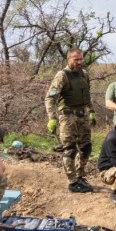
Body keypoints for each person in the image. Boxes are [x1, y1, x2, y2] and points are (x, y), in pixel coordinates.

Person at [45, 48, 96, 193]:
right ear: (69, 59)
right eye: (76, 59)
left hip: (83, 116)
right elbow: (50, 98)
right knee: (70, 149)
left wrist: (91, 111)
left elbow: (87, 95)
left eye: (81, 59)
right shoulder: (62, 75)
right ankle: (73, 182)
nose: (80, 62)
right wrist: (52, 118)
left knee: (86, 147)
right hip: (68, 117)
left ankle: (80, 175)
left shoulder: (84, 74)